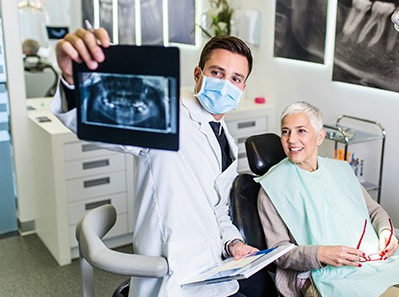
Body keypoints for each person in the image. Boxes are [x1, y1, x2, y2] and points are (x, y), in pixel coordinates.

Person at [51, 27, 261, 297]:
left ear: (242, 88)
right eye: (217, 73)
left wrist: (233, 242)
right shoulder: (167, 113)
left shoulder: (224, 137)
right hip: (171, 274)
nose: (225, 85)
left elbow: (217, 208)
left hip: (212, 269)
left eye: (235, 78)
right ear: (198, 75)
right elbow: (109, 121)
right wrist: (73, 79)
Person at [256, 101, 399, 297]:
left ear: (320, 137)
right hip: (325, 277)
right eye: (285, 131)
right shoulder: (273, 188)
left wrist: (386, 232)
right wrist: (321, 254)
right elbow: (279, 253)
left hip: (372, 264)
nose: (291, 139)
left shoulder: (340, 170)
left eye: (301, 131)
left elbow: (374, 211)